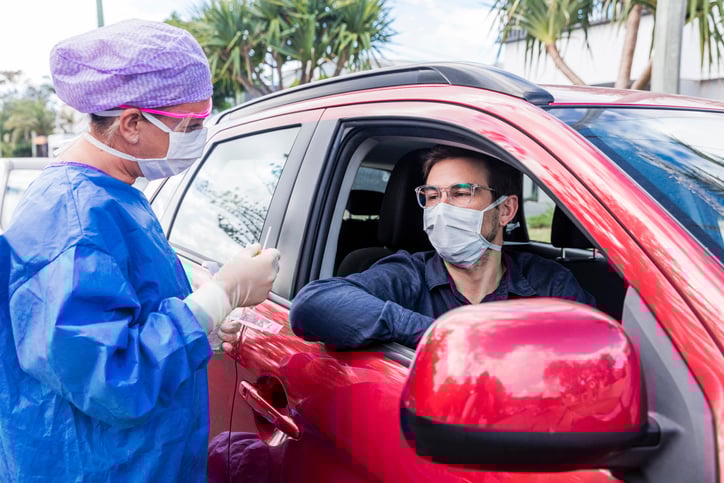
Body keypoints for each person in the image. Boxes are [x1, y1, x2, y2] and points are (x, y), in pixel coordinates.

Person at [0, 19, 280, 482]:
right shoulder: (71, 216)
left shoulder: (113, 193)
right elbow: (108, 378)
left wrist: (202, 319)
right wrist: (216, 300)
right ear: (131, 123)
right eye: (189, 124)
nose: (197, 136)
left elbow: (119, 315)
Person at [290, 145, 594, 349]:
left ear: (505, 210)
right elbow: (312, 304)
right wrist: (439, 334)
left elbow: (592, 352)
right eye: (433, 196)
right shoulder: (408, 274)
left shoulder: (550, 283)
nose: (441, 209)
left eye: (461, 194)